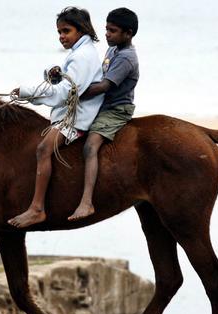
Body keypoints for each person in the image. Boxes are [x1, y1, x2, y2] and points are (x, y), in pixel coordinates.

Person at [7, 7, 105, 228]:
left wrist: (27, 91)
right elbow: (67, 83)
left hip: (78, 117)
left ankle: (37, 208)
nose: (61, 36)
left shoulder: (82, 57)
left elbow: (66, 93)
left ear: (82, 30)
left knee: (43, 149)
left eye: (66, 31)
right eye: (59, 32)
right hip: (72, 111)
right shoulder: (81, 52)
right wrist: (53, 74)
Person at [68, 7, 139, 221]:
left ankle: (87, 202)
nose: (107, 34)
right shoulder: (113, 50)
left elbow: (103, 86)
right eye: (106, 29)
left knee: (90, 146)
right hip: (101, 105)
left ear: (128, 33)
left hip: (115, 109)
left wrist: (73, 92)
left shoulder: (126, 58)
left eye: (113, 30)